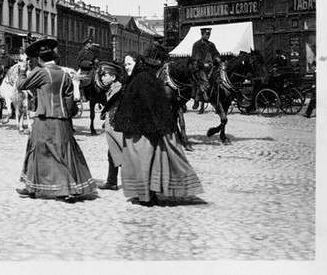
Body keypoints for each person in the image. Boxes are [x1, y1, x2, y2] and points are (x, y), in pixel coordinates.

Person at [113, 52, 204, 207]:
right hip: (146, 129)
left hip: (141, 132)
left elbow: (146, 106)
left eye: (129, 64)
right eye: (125, 64)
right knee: (149, 162)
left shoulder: (141, 80)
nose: (126, 67)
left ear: (138, 63)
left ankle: (145, 197)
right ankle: (149, 195)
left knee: (141, 162)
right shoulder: (144, 78)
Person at [15, 38, 96, 203]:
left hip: (44, 118)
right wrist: (65, 113)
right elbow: (68, 98)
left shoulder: (42, 72)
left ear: (39, 58)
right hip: (62, 119)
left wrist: (23, 69)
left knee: (37, 150)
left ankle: (52, 188)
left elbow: (21, 85)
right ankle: (39, 187)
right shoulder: (64, 73)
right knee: (64, 151)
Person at [98, 61, 124, 191]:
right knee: (112, 153)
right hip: (111, 127)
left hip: (117, 128)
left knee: (122, 153)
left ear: (113, 77)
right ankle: (112, 181)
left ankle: (134, 182)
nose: (102, 77)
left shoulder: (118, 89)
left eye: (105, 75)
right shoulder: (112, 88)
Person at [190, 27, 221, 107]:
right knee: (205, 83)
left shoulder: (211, 45)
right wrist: (203, 64)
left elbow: (216, 53)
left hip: (211, 66)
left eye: (209, 34)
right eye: (207, 34)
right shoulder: (197, 45)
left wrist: (217, 58)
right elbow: (195, 58)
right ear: (202, 34)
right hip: (199, 67)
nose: (208, 36)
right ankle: (197, 98)